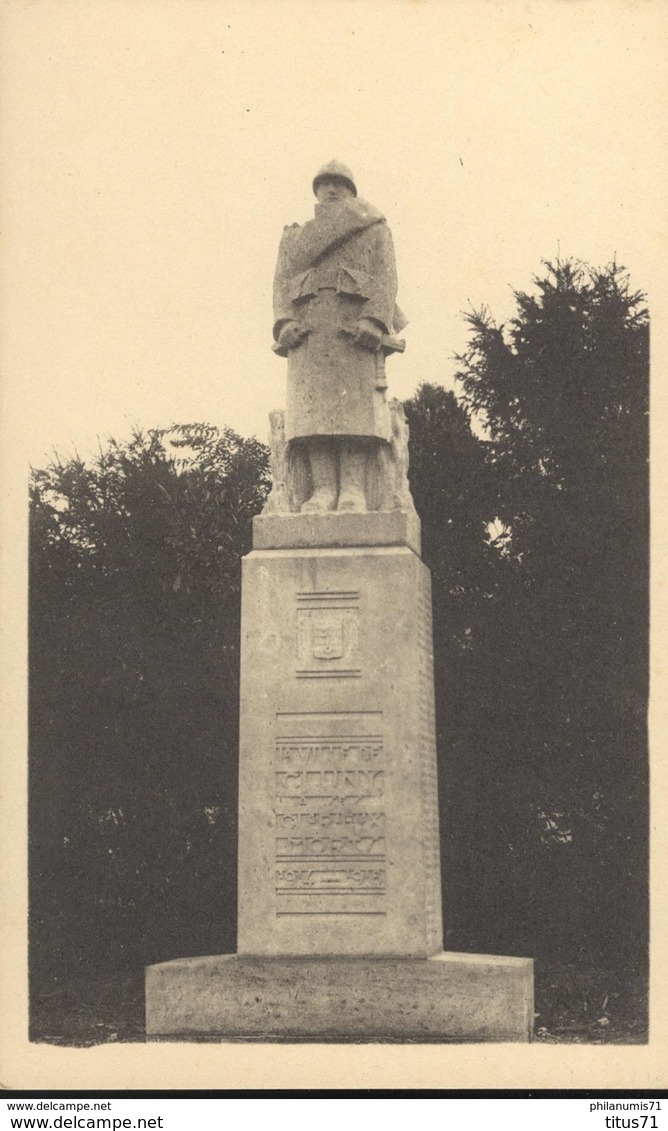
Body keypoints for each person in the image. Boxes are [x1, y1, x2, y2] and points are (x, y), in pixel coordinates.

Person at [272, 161, 406, 513]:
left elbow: (386, 276)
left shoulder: (374, 229)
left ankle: (353, 491)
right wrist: (284, 324)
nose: (332, 189)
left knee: (354, 414)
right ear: (315, 190)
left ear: (351, 190)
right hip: (309, 332)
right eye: (325, 183)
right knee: (313, 416)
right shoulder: (296, 237)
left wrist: (375, 322)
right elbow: (281, 284)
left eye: (340, 184)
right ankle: (322, 491)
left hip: (353, 329)